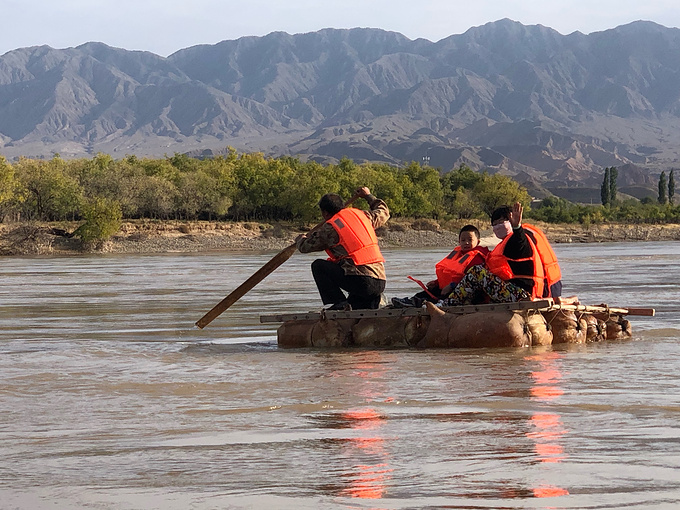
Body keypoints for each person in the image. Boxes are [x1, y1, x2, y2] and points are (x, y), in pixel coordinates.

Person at [443, 202, 572, 305]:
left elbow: (520, 243)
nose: (498, 226)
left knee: (477, 272)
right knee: (479, 273)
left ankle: (446, 305)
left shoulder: (517, 239)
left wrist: (517, 227)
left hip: (522, 295)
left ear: (511, 221)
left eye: (502, 222)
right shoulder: (507, 242)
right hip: (534, 292)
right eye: (495, 224)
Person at [296, 187, 390, 310]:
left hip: (362, 282)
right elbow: (383, 211)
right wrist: (368, 195)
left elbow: (305, 247)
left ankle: (338, 302)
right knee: (356, 304)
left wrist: (300, 239)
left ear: (325, 213)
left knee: (318, 266)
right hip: (380, 282)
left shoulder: (330, 228)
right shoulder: (363, 216)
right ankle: (368, 302)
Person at [391, 224, 489, 307]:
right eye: (463, 240)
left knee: (437, 298)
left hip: (463, 291)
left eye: (470, 240)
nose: (466, 243)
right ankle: (412, 300)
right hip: (448, 288)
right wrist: (437, 282)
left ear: (478, 242)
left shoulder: (477, 257)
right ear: (459, 242)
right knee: (427, 292)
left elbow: (471, 279)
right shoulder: (458, 254)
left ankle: (418, 303)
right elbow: (450, 273)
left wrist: (451, 286)